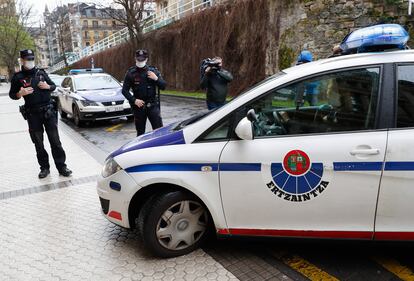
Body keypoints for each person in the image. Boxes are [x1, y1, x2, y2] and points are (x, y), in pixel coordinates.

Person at [9, 49, 72, 179]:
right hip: (33, 115)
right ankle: (44, 168)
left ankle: (62, 167)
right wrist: (20, 94)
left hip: (48, 112)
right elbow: (11, 95)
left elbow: (54, 86)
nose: (30, 61)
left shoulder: (41, 73)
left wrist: (47, 87)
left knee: (55, 142)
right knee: (38, 143)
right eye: (27, 59)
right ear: (21, 60)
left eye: (32, 59)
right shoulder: (18, 77)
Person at [122, 49, 166, 136]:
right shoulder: (131, 73)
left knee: (159, 132)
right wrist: (134, 100)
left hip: (152, 105)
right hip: (139, 107)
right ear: (135, 59)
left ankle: (159, 149)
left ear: (146, 59)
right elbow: (124, 90)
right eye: (139, 59)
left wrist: (156, 78)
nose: (140, 61)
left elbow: (163, 86)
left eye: (142, 59)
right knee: (140, 133)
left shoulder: (153, 71)